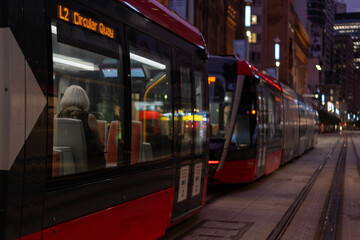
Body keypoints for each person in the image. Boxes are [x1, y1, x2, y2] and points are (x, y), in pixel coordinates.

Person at [56, 85, 106, 171]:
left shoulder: (56, 117)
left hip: (63, 163)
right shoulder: (89, 118)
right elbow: (99, 144)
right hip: (89, 164)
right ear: (84, 100)